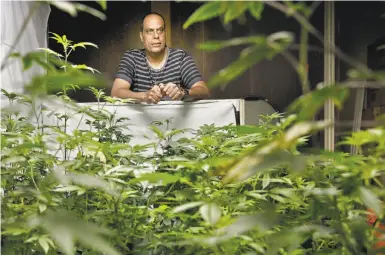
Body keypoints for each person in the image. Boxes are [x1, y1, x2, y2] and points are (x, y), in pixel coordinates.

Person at [111, 12, 210, 104]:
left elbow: (204, 91)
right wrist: (144, 96)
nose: (156, 36)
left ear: (165, 33)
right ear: (142, 36)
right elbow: (115, 93)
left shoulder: (181, 57)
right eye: (150, 31)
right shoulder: (131, 58)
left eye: (160, 30)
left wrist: (183, 92)